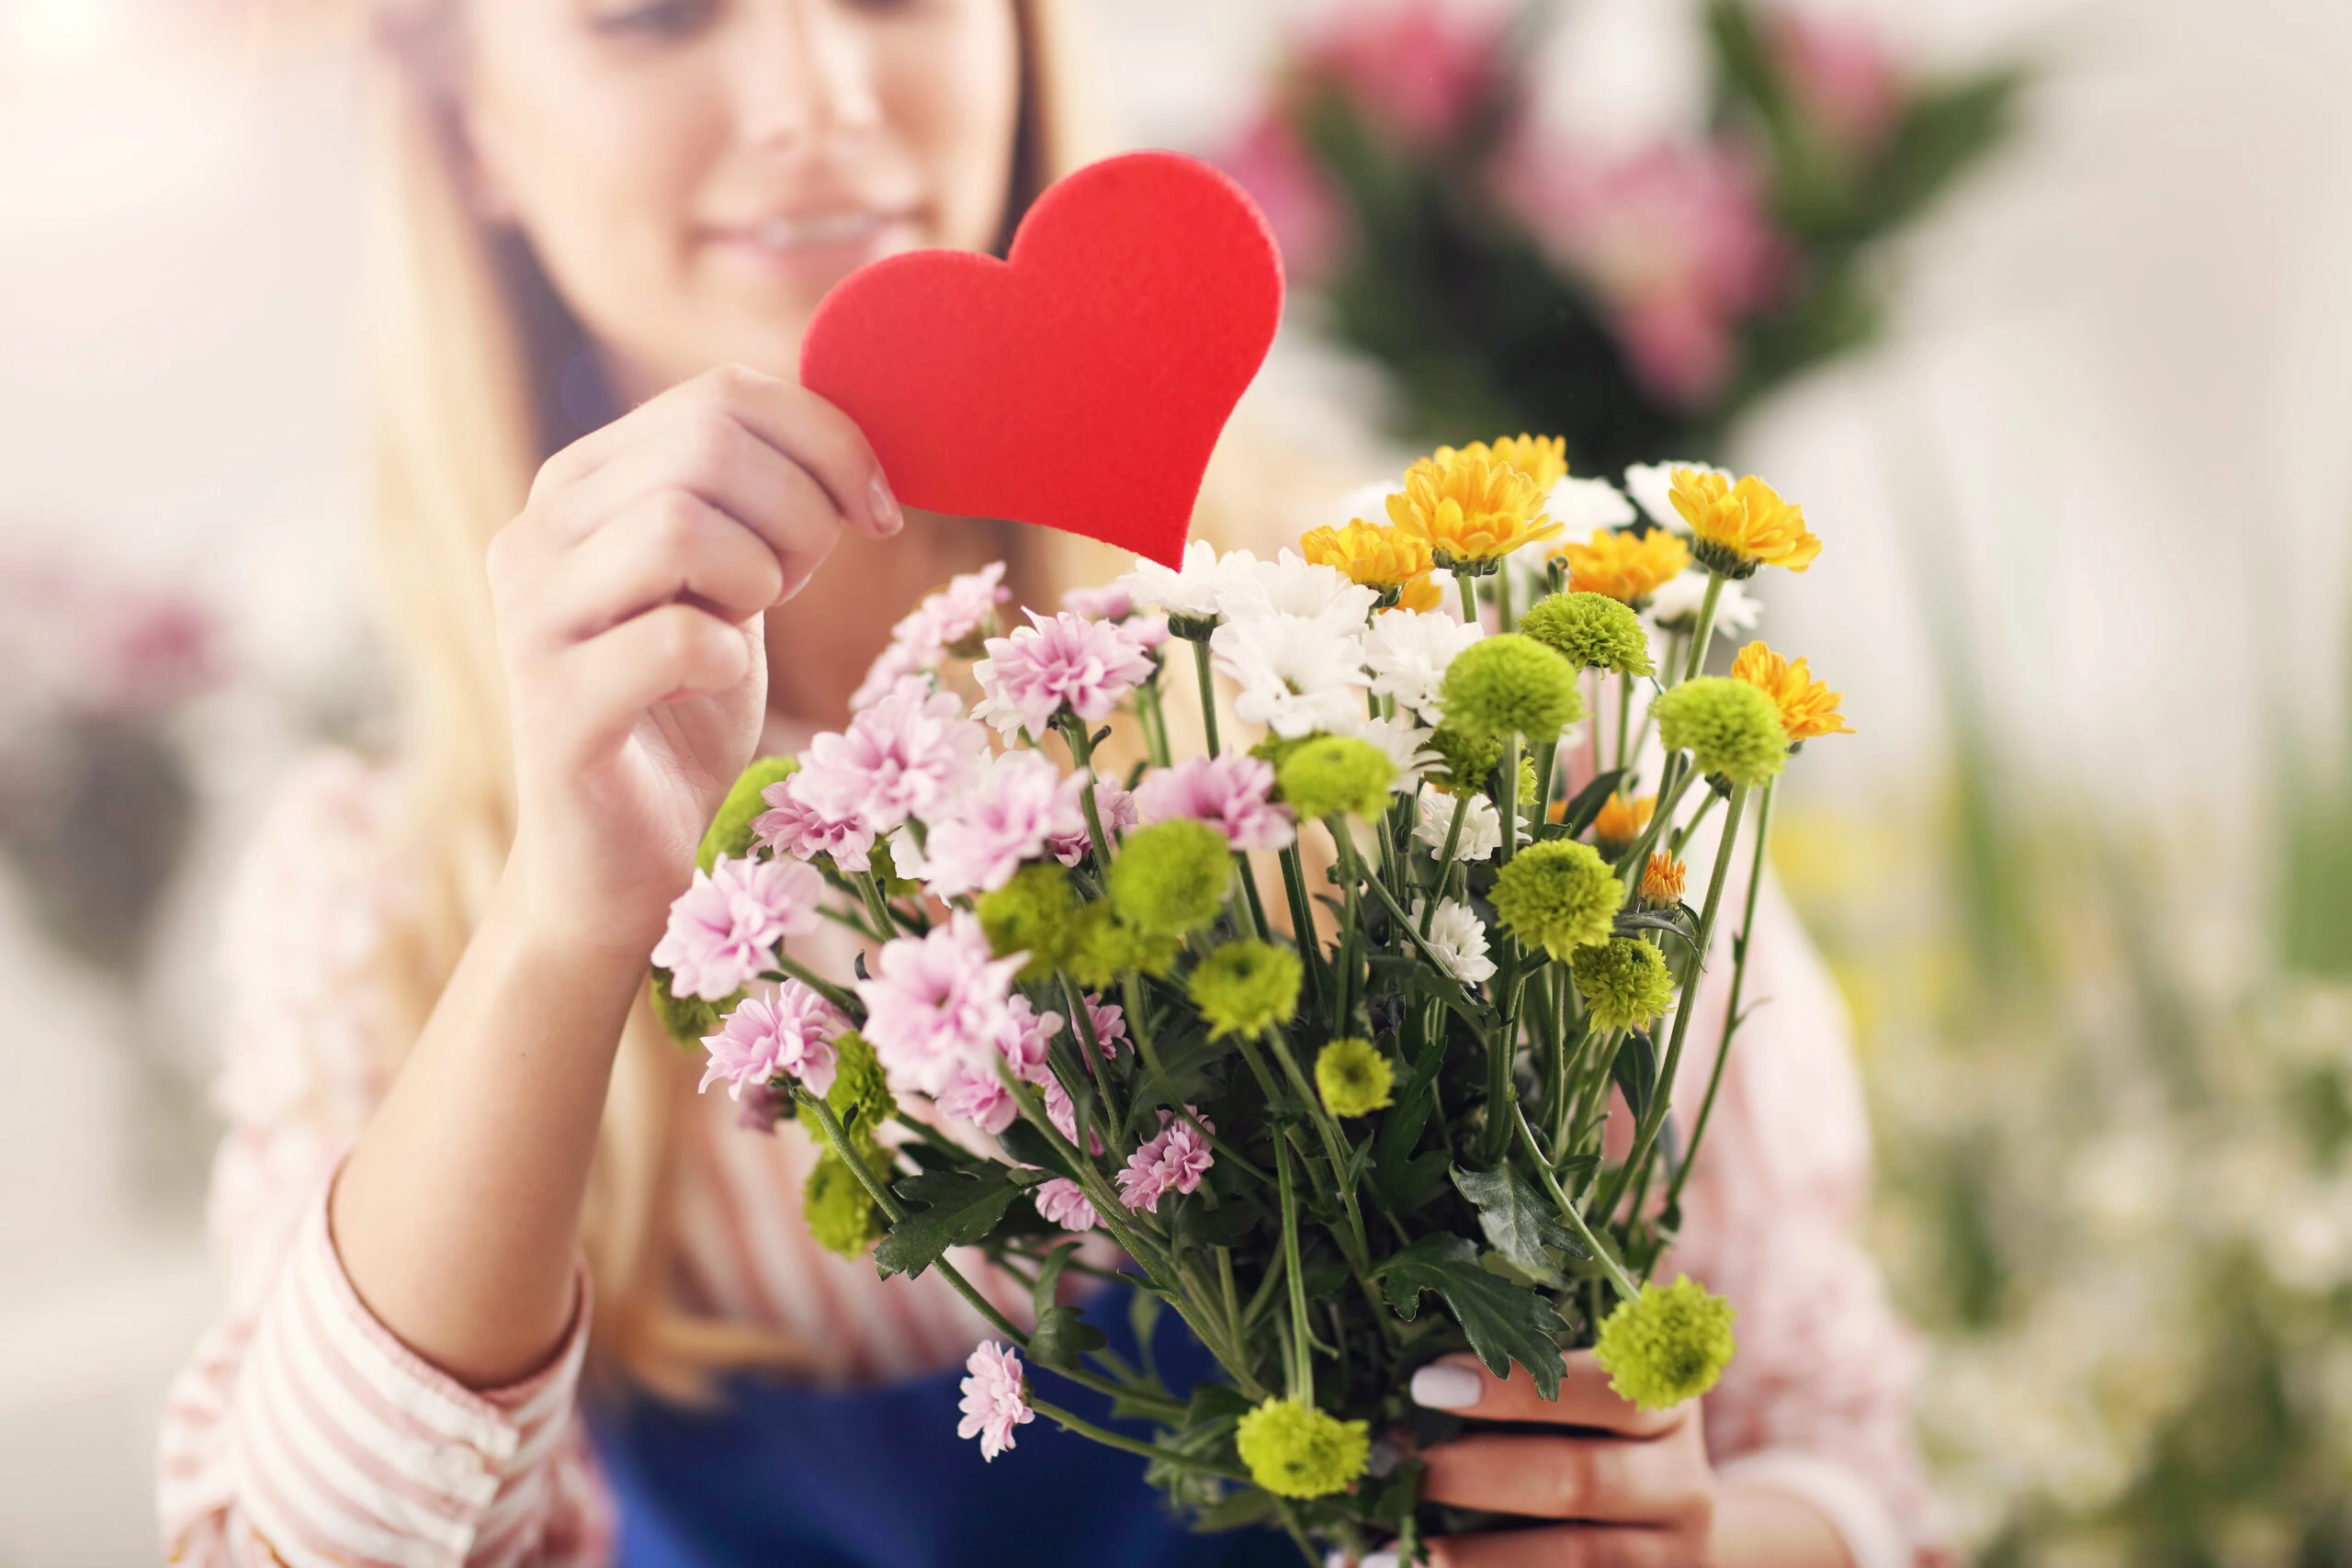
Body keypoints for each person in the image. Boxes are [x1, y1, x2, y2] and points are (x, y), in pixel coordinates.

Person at [155, 3, 1937, 1565]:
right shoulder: (386, 903)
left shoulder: (1452, 673)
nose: (818, 93)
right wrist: (562, 920)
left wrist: (1685, 1538)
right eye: (656, 12)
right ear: (467, 117)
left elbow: (1842, 1456)